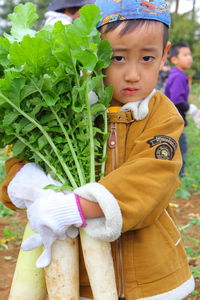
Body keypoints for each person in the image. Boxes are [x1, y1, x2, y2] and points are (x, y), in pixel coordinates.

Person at [0, 1, 195, 299]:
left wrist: (75, 209)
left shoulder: (162, 115)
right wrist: (32, 186)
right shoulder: (74, 108)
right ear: (92, 53)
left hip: (150, 275)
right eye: (116, 57)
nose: (132, 74)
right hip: (80, 274)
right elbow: (21, 155)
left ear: (163, 56)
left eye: (146, 58)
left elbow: (151, 178)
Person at [164, 42, 200, 177]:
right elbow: (177, 101)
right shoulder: (178, 76)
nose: (189, 58)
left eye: (190, 54)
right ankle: (179, 177)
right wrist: (191, 109)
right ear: (174, 60)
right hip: (174, 121)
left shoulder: (177, 74)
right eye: (185, 55)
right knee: (180, 148)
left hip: (171, 120)